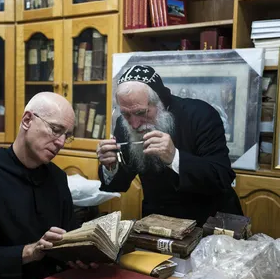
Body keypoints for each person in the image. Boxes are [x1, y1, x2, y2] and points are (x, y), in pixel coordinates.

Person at [0, 92, 94, 279]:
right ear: (27, 120)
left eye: (66, 135)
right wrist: (30, 251)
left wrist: (80, 254)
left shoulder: (57, 178)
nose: (61, 142)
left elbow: (66, 241)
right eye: (55, 130)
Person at [97, 65, 243, 226]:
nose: (134, 124)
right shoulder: (125, 123)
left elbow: (221, 177)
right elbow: (119, 184)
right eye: (126, 114)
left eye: (141, 113)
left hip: (209, 220)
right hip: (158, 221)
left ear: (160, 103)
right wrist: (110, 167)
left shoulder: (201, 114)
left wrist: (175, 157)